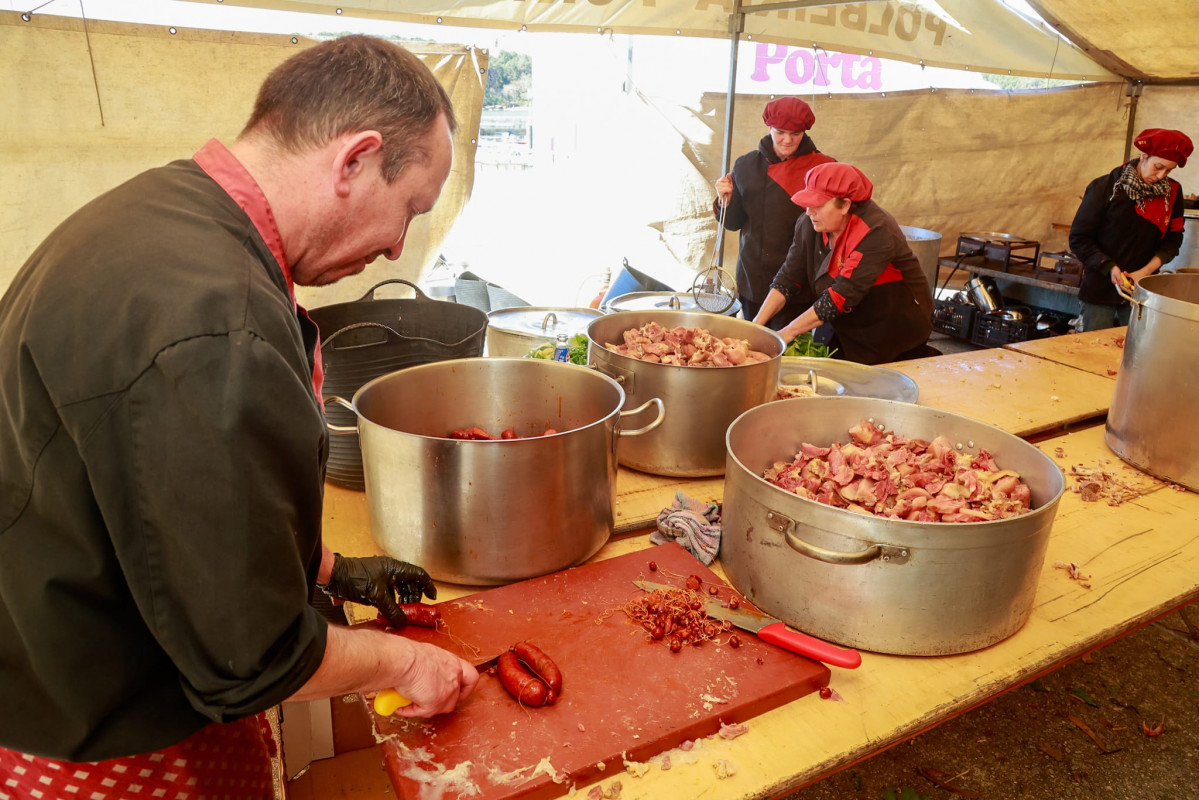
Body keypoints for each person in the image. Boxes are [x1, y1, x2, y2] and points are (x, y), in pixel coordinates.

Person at [0, 35, 479, 796]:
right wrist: (407, 663)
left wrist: (329, 568)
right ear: (353, 160)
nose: (396, 247)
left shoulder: (162, 211)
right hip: (108, 727)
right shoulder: (214, 327)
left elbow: (159, 508)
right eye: (411, 209)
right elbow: (252, 664)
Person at [754, 162, 933, 365]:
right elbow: (788, 278)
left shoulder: (876, 231)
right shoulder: (809, 223)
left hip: (893, 329)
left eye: (818, 205)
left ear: (846, 205)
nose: (810, 211)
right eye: (807, 204)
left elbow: (841, 296)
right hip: (849, 323)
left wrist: (784, 335)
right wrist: (754, 328)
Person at [714, 96, 835, 329]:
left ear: (805, 132)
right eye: (780, 132)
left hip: (800, 285)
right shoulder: (746, 165)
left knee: (791, 354)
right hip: (753, 278)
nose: (787, 140)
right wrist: (724, 201)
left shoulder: (823, 168)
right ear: (769, 127)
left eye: (796, 133)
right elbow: (734, 222)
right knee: (752, 348)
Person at [1069, 127, 1192, 330]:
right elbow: (1079, 238)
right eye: (1158, 166)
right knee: (1096, 350)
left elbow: (1173, 241)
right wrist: (1111, 268)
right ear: (1144, 156)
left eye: (1168, 171)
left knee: (1137, 352)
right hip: (1100, 287)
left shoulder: (1173, 193)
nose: (1161, 175)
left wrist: (1145, 272)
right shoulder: (1106, 188)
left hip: (1143, 291)